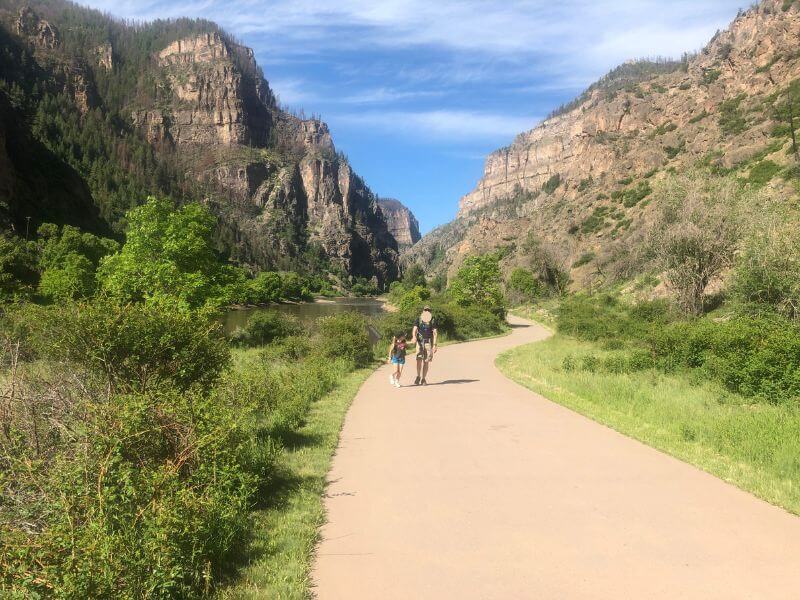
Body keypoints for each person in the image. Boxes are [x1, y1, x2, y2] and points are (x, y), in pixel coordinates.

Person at [412, 305, 437, 385]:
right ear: (423, 311)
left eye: (428, 310)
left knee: (426, 361)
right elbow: (415, 329)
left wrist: (435, 345)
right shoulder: (419, 319)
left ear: (430, 311)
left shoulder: (432, 320)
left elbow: (435, 333)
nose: (427, 311)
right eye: (425, 310)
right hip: (419, 342)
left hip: (428, 342)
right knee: (418, 360)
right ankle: (418, 376)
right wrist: (413, 337)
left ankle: (423, 379)